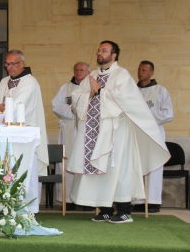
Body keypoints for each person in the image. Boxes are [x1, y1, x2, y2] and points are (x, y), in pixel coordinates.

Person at [68, 41, 170, 223]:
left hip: (117, 132)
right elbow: (77, 97)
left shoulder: (122, 75)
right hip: (94, 132)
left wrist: (100, 91)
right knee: (102, 169)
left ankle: (124, 211)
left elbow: (126, 99)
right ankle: (105, 209)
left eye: (104, 50)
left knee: (118, 169)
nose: (100, 53)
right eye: (99, 50)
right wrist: (89, 94)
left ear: (114, 55)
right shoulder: (92, 75)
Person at [0, 49, 49, 213]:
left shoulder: (30, 81)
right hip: (8, 134)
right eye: (7, 64)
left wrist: (6, 107)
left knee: (25, 169)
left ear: (22, 64)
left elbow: (18, 103)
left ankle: (28, 209)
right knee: (8, 169)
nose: (9, 67)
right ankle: (8, 206)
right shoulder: (5, 81)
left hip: (24, 133)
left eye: (13, 64)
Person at [132, 60, 173, 213]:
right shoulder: (131, 91)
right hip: (136, 133)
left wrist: (145, 116)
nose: (140, 72)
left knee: (154, 164)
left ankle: (153, 202)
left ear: (151, 73)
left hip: (154, 133)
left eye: (144, 70)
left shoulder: (161, 91)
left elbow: (168, 113)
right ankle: (137, 201)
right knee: (137, 165)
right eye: (139, 69)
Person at [51, 62, 90, 211]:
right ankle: (69, 200)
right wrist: (74, 110)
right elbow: (56, 105)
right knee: (67, 163)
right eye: (76, 70)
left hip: (86, 130)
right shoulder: (65, 88)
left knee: (85, 163)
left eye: (82, 70)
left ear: (88, 72)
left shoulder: (92, 87)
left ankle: (87, 201)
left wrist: (80, 110)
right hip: (68, 129)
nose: (78, 72)